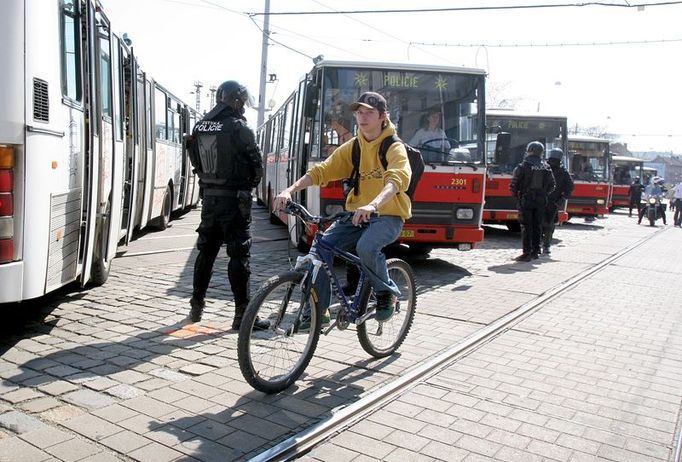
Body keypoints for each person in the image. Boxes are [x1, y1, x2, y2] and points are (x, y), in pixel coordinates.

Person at [273, 91, 411, 322]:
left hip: (387, 214)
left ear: (383, 116)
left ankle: (386, 292)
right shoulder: (354, 147)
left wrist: (372, 204)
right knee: (321, 248)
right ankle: (319, 312)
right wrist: (290, 190)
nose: (363, 117)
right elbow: (322, 170)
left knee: (366, 247)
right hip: (355, 214)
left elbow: (396, 180)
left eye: (369, 112)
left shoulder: (393, 147)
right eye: (359, 112)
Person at [186, 80, 268, 330]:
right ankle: (242, 315)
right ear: (237, 100)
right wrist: (248, 184)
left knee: (206, 252)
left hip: (210, 197)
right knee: (239, 254)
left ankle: (196, 306)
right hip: (235, 199)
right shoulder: (239, 127)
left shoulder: (201, 125)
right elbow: (257, 166)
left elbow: (195, 160)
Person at [509, 141, 555, 262]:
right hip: (541, 201)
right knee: (537, 226)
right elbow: (552, 185)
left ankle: (527, 252)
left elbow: (514, 184)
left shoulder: (523, 166)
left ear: (529, 151)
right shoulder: (546, 166)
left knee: (526, 226)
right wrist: (543, 193)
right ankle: (536, 251)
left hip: (526, 199)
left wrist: (517, 196)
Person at [542, 148, 574, 255]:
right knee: (546, 224)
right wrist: (562, 198)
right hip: (547, 200)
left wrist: (561, 198)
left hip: (547, 200)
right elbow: (570, 187)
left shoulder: (560, 172)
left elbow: (569, 187)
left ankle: (542, 245)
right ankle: (544, 245)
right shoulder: (545, 168)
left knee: (545, 224)